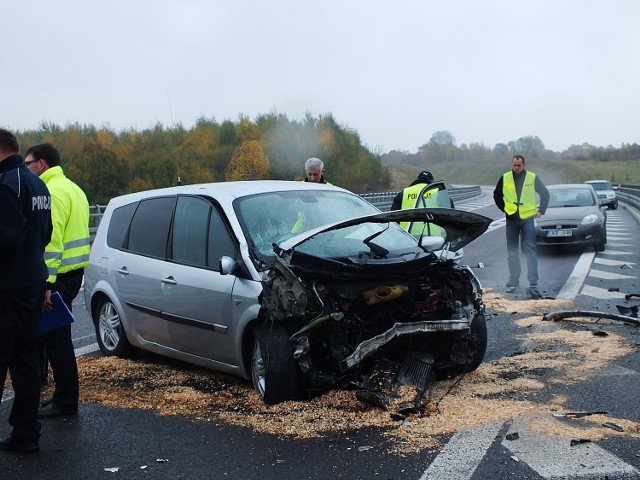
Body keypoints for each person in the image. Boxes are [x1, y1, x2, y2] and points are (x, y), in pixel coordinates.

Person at [24, 143, 90, 419]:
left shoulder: (50, 192)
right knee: (53, 337)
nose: (25, 169)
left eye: (27, 164)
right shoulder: (73, 188)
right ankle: (58, 395)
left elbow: (51, 243)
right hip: (73, 273)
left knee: (57, 340)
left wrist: (47, 285)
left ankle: (65, 401)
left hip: (57, 277)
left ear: (41, 164)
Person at [0, 129, 52, 453]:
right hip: (32, 281)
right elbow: (44, 232)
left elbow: (6, 240)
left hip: (9, 288)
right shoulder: (37, 183)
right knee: (27, 361)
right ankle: (26, 433)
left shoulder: (7, 184)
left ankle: (25, 433)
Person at [493, 155, 549, 299]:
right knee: (512, 252)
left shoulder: (532, 177)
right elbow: (497, 195)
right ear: (512, 164)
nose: (516, 167)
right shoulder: (505, 177)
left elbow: (545, 193)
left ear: (524, 165)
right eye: (514, 165)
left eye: (519, 165)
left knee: (530, 250)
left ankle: (533, 283)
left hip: (527, 218)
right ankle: (513, 282)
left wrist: (541, 210)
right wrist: (504, 209)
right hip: (511, 219)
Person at [391, 171, 452, 236]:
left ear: (418, 180)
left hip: (407, 237)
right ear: (432, 181)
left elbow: (393, 217)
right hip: (432, 237)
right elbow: (451, 214)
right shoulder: (437, 192)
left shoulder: (404, 193)